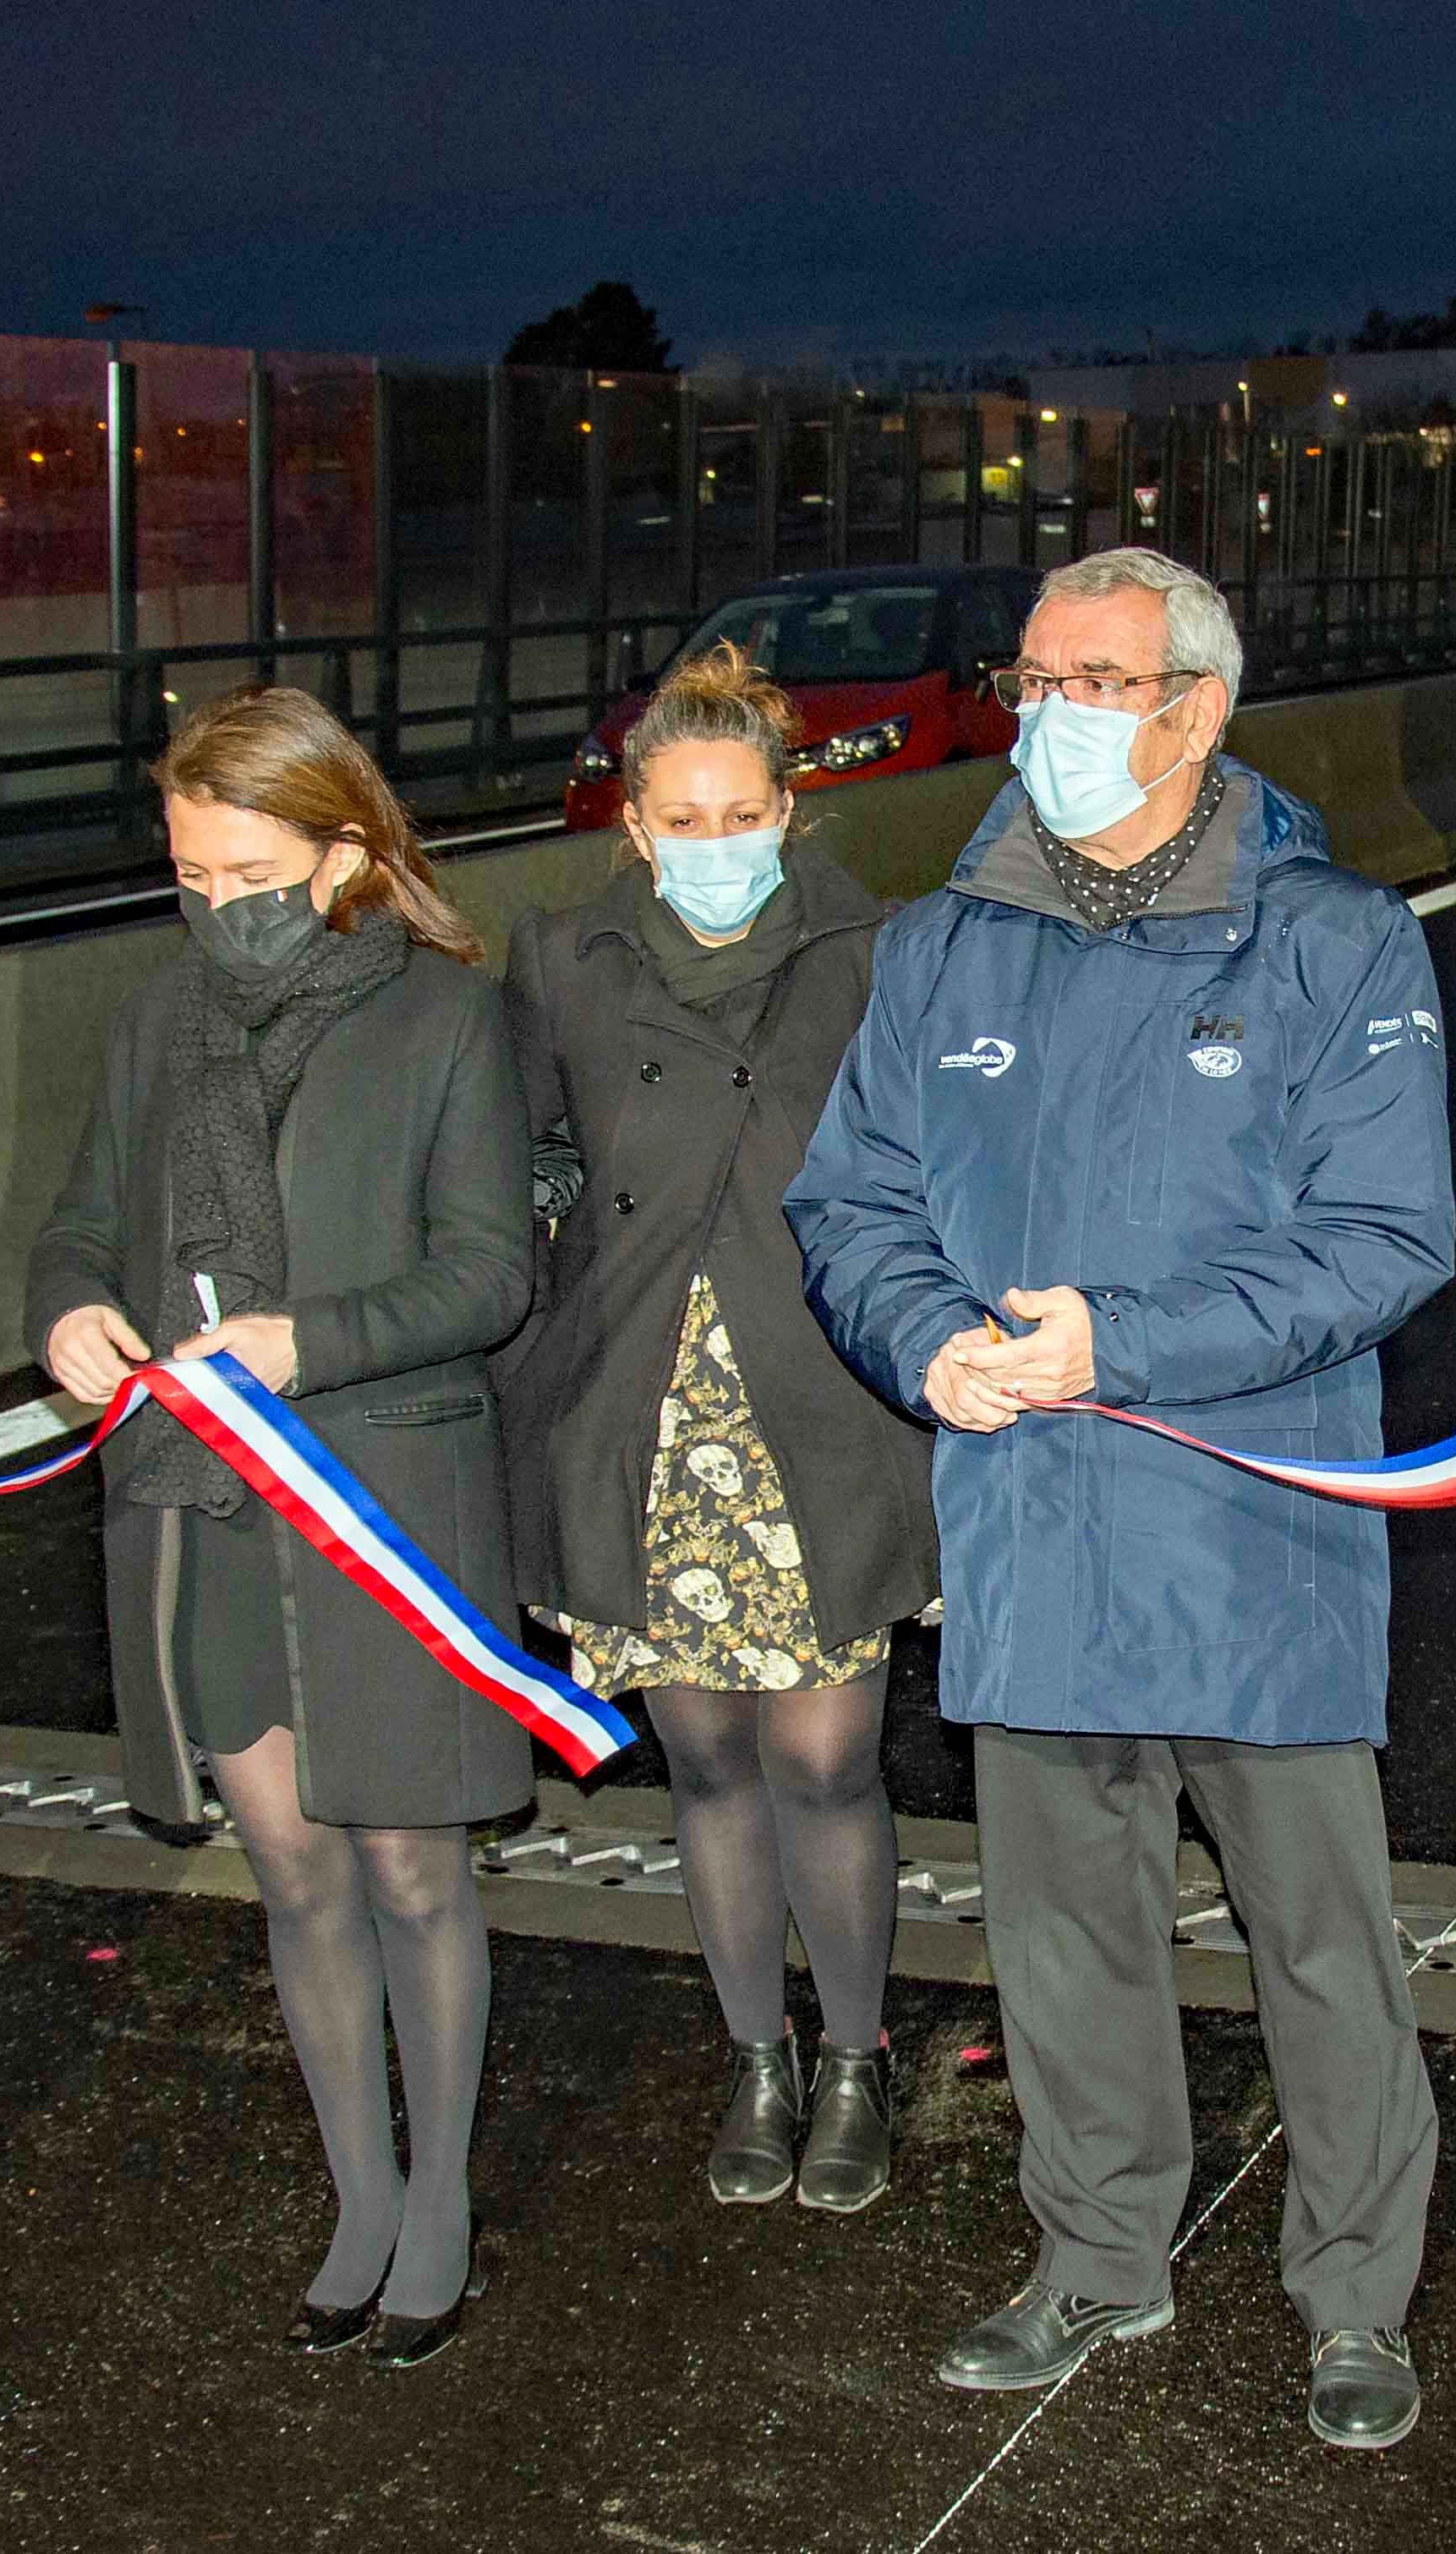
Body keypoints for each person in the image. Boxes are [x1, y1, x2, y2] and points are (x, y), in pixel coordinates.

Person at [786, 547, 1456, 2451]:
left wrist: (1122, 1344)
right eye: (1038, 677)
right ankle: (1095, 2258)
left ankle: (1354, 2296)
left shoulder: (1334, 939)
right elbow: (853, 1202)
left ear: (1196, 711)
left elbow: (1387, 1238)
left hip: (1254, 1523)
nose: (1052, 713)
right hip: (1032, 1514)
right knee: (1063, 1937)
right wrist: (925, 1344)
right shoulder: (943, 944)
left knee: (1319, 1939)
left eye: (1097, 680)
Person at [24, 686, 534, 2366]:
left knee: (407, 1859)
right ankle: (361, 2194)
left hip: (385, 1500)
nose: (214, 908)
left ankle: (445, 2195)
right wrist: (73, 1319)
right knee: (296, 1872)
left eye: (247, 875)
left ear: (345, 855)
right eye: (187, 876)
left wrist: (309, 1341)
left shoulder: (445, 1018)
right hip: (208, 1507)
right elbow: (80, 1229)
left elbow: (488, 1273)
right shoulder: (153, 1018)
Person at [495, 642, 938, 2214]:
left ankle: (856, 2056)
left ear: (788, 810)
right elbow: (531, 1152)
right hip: (638, 1399)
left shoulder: (880, 952)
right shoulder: (561, 957)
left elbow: (930, 1165)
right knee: (703, 1761)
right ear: (631, 824)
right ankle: (756, 2054)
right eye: (679, 819)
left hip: (813, 1395)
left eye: (738, 812)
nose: (711, 841)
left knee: (825, 1757)